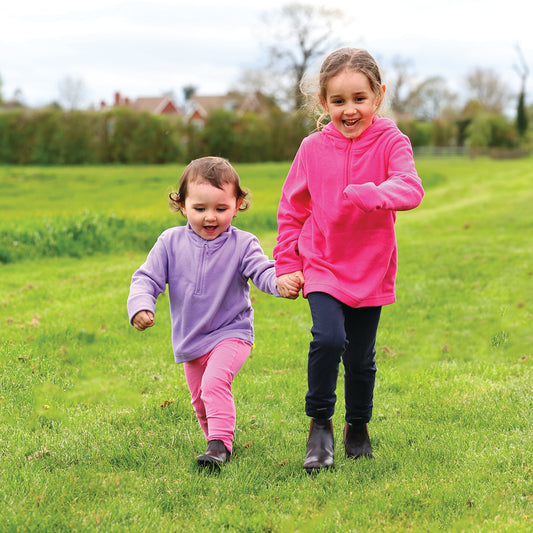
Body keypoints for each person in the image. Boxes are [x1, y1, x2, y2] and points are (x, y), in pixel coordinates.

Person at [275, 47, 425, 472]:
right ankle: (319, 426)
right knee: (328, 340)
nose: (350, 109)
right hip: (321, 261)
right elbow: (292, 211)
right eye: (338, 101)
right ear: (324, 103)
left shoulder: (392, 140)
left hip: (371, 267)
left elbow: (410, 187)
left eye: (359, 98)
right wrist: (287, 264)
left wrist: (375, 194)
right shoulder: (311, 148)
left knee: (360, 357)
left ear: (378, 95)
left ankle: (357, 426)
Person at [127, 156, 299, 469]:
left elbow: (261, 271)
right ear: (182, 205)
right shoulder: (170, 242)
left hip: (232, 332)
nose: (210, 217)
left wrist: (280, 281)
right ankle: (213, 441)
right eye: (200, 208)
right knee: (200, 399)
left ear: (238, 204)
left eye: (221, 209)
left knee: (214, 385)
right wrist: (141, 305)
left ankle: (220, 445)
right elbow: (146, 278)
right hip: (191, 338)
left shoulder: (244, 244)